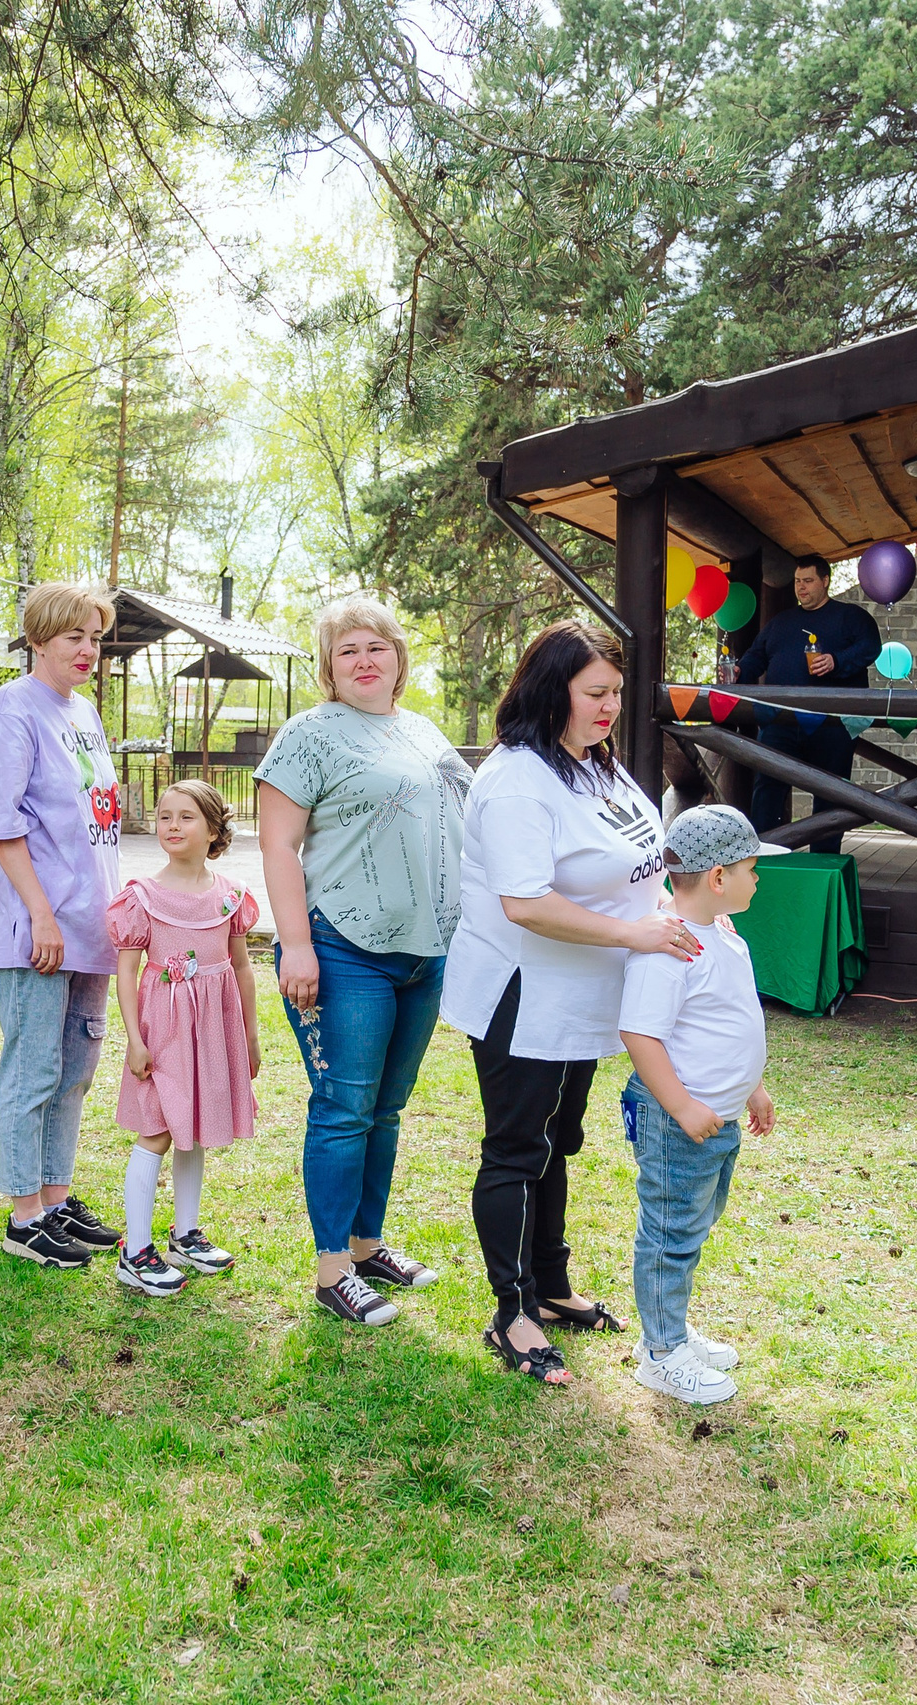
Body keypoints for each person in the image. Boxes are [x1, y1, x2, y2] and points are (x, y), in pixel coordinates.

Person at [444, 619, 699, 1387]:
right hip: (523, 994)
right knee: (518, 1149)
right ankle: (511, 1310)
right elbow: (525, 903)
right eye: (596, 692)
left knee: (562, 1140)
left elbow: (640, 864)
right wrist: (639, 934)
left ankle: (550, 1285)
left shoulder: (597, 765)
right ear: (551, 688)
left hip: (585, 993)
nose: (610, 706)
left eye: (618, 692)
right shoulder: (519, 779)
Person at [254, 595, 467, 1327]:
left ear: (400, 659)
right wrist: (299, 944)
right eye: (348, 650)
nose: (365, 659)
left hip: (424, 954)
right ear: (328, 666)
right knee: (345, 1107)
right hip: (343, 947)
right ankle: (331, 1269)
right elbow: (278, 845)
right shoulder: (307, 735)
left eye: (377, 646)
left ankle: (368, 1244)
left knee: (387, 1107)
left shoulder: (424, 731)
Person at [0, 582, 125, 1270]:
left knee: (73, 1072)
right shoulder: (12, 710)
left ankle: (57, 1199)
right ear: (38, 639)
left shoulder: (84, 711)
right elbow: (4, 827)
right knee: (33, 1067)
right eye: (74, 636)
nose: (88, 649)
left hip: (90, 927)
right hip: (38, 926)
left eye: (95, 636)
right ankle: (23, 1215)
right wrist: (41, 912)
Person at [617, 806, 784, 1406]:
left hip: (719, 1117)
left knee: (695, 1220)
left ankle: (670, 1331)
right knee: (670, 1232)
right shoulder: (671, 950)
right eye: (750, 868)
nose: (757, 878)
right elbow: (641, 1034)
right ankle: (662, 1354)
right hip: (678, 1121)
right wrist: (682, 1105)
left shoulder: (723, 936)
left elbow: (731, 1018)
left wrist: (752, 1088)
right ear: (718, 878)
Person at [108, 780, 260, 1298]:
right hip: (164, 1029)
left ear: (214, 829)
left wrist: (251, 1035)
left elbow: (240, 967)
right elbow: (126, 973)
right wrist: (134, 1038)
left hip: (214, 1030)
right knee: (159, 1128)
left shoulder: (231, 896)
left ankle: (186, 1234)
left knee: (196, 1123)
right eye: (164, 816)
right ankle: (136, 1252)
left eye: (186, 817)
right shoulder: (141, 898)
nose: (171, 825)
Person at [729, 559, 883, 854]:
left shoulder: (850, 617)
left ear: (825, 580)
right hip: (779, 722)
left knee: (830, 792)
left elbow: (869, 647)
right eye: (798, 581)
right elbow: (755, 656)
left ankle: (823, 859)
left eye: (808, 581)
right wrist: (740, 672)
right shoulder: (781, 622)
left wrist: (836, 661)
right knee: (768, 787)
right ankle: (763, 856)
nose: (801, 587)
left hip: (832, 724)